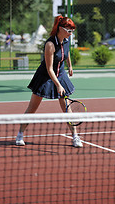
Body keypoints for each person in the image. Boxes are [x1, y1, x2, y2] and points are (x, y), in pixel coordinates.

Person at [16, 15, 83, 148]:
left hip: (61, 75)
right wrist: (58, 85)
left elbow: (67, 53)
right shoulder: (50, 44)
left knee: (67, 108)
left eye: (72, 31)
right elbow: (49, 69)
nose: (71, 34)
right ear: (60, 29)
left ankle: (75, 136)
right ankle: (20, 134)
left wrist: (70, 66)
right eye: (69, 31)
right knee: (32, 108)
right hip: (45, 77)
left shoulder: (66, 40)